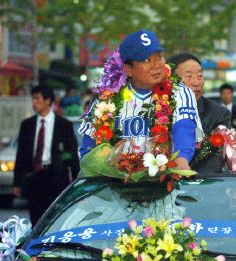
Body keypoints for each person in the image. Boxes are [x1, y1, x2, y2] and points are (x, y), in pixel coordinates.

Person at [79, 30, 198, 171]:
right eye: (147, 60)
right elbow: (88, 149)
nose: (156, 65)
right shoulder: (106, 98)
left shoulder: (179, 91)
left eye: (159, 57)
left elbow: (184, 128)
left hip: (163, 182)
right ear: (128, 69)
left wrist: (181, 159)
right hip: (113, 185)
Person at [13, 85, 80, 225]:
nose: (34, 102)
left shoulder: (64, 125)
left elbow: (72, 154)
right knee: (36, 219)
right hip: (34, 177)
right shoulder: (27, 125)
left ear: (48, 101)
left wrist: (76, 182)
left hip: (55, 177)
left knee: (55, 219)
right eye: (33, 99)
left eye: (38, 99)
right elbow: (21, 155)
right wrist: (17, 182)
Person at [167, 53, 231, 173]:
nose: (196, 82)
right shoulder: (157, 108)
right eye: (189, 76)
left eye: (200, 76)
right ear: (171, 80)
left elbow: (215, 161)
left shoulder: (218, 114)